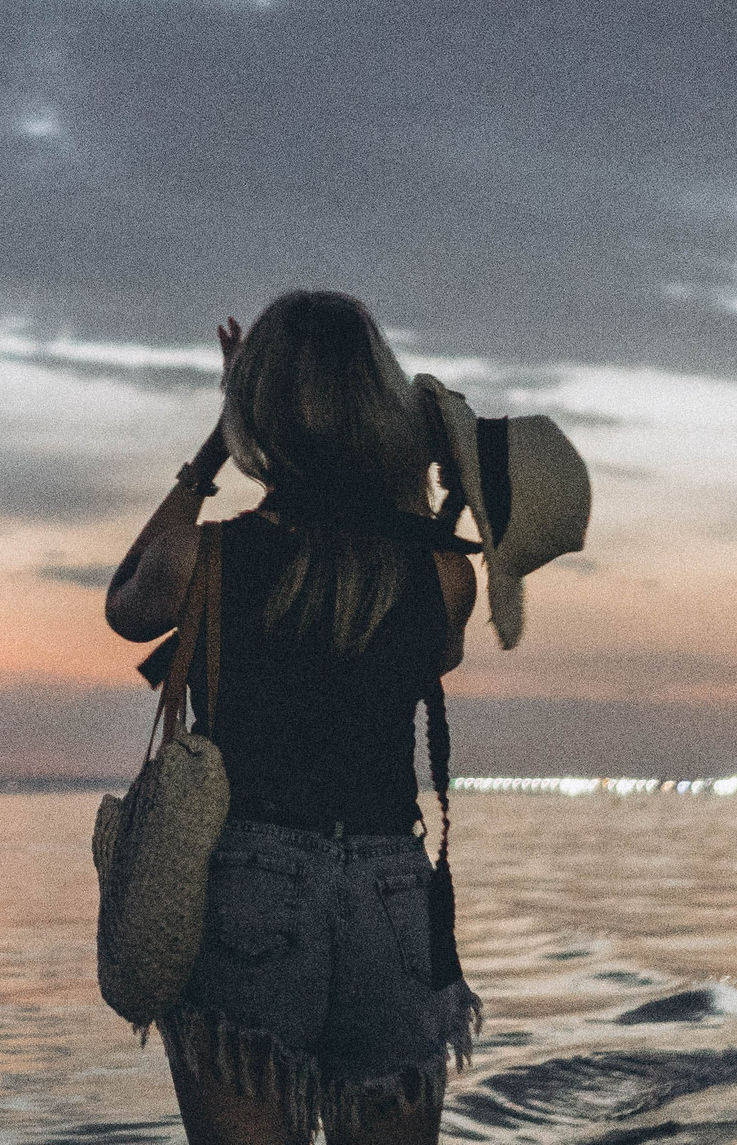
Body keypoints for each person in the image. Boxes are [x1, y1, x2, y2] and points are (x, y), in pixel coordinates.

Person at [105, 290, 482, 1145]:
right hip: (395, 892)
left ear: (257, 414)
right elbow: (436, 639)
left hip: (249, 884)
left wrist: (212, 450)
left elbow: (125, 600)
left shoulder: (203, 560)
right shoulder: (443, 578)